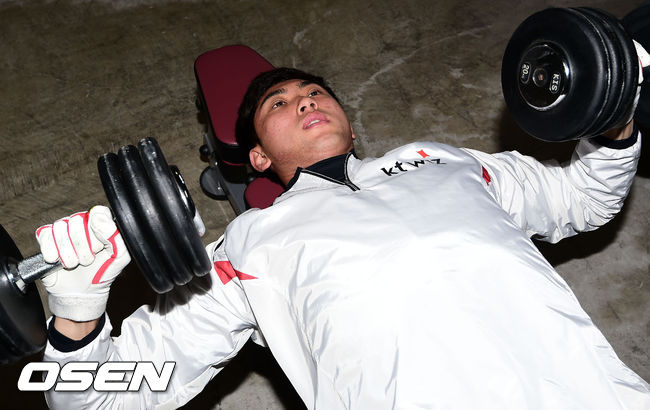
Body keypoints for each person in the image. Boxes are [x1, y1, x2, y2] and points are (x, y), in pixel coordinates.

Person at [36, 64, 650, 409]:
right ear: (257, 157)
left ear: (349, 124)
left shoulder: (446, 159)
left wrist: (614, 118)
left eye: (314, 92)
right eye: (279, 104)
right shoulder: (249, 246)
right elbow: (100, 398)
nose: (305, 102)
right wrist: (76, 311)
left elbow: (584, 198)